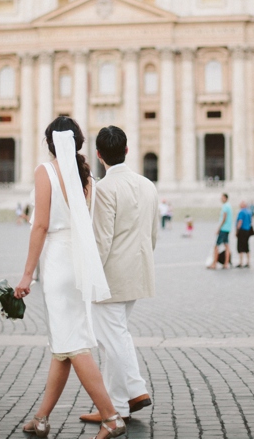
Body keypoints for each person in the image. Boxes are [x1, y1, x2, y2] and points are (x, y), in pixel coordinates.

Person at [14, 116, 125, 439]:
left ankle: (111, 417)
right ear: (77, 142)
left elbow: (40, 225)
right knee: (63, 344)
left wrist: (26, 275)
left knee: (74, 344)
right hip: (78, 261)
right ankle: (42, 418)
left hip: (58, 263)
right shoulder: (85, 175)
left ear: (50, 143)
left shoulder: (45, 171)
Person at [80, 125, 158, 426]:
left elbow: (101, 240)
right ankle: (116, 407)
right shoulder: (148, 185)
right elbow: (153, 235)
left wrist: (89, 278)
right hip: (138, 273)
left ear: (98, 155)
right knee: (112, 336)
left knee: (112, 337)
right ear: (126, 150)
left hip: (110, 277)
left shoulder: (104, 189)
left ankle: (136, 390)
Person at [209, 193, 234, 270]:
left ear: (225, 198)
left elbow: (224, 218)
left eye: (222, 198)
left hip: (223, 228)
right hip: (228, 228)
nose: (221, 199)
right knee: (227, 246)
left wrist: (219, 228)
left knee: (216, 246)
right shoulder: (229, 206)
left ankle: (214, 263)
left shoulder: (225, 206)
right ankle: (226, 263)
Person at [235, 201, 254, 268]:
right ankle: (248, 262)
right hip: (247, 230)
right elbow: (251, 221)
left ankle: (241, 262)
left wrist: (237, 231)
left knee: (240, 246)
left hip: (242, 230)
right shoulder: (249, 212)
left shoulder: (241, 212)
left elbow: (240, 221)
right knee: (246, 245)